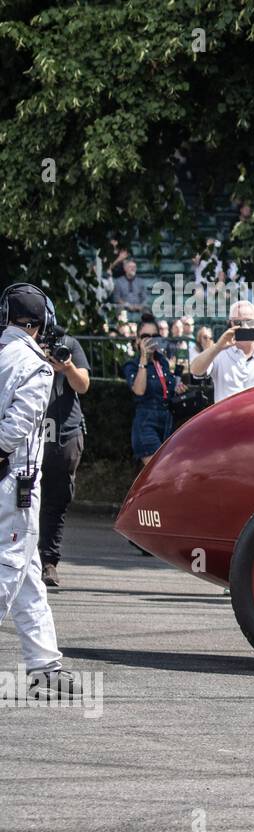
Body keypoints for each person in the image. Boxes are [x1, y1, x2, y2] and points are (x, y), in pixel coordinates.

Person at [0, 283, 78, 700]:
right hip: (14, 484)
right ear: (39, 322)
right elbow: (19, 424)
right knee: (9, 569)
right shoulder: (35, 363)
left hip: (11, 481)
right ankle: (44, 665)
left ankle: (44, 664)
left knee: (29, 574)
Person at [39, 324, 90, 588]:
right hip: (29, 431)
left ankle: (49, 561)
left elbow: (83, 385)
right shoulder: (17, 347)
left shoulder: (68, 344)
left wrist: (67, 367)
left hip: (64, 434)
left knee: (56, 499)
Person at [189, 301, 254, 402]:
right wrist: (217, 347)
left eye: (250, 321)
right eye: (238, 322)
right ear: (230, 323)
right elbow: (195, 370)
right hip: (226, 418)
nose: (244, 326)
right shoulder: (220, 352)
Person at [123, 316, 183, 466]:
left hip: (167, 421)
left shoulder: (162, 361)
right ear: (137, 340)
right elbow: (138, 390)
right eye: (145, 336)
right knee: (160, 472)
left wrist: (177, 388)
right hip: (146, 423)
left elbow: (167, 390)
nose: (150, 340)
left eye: (154, 336)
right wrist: (144, 359)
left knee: (167, 475)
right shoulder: (132, 364)